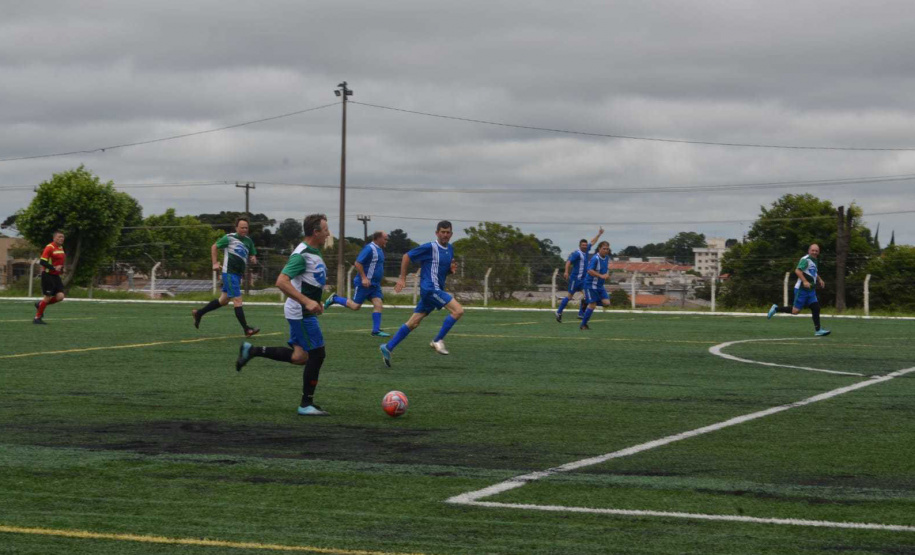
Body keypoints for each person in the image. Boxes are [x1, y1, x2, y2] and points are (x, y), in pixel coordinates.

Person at [235, 213, 331, 416]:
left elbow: (308, 281)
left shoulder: (313, 251)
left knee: (299, 357)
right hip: (301, 312)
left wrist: (317, 301)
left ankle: (252, 351)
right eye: (325, 229)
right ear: (316, 232)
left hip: (302, 310)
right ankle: (306, 404)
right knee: (318, 354)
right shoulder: (302, 254)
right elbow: (282, 281)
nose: (328, 233)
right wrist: (307, 302)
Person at [379, 220, 462, 367]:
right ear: (437, 233)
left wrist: (450, 270)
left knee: (413, 323)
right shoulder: (430, 247)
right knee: (458, 311)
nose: (445, 235)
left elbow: (443, 270)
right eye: (442, 232)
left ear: (451, 234)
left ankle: (388, 347)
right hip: (430, 289)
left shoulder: (450, 249)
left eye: (447, 232)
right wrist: (402, 278)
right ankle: (437, 340)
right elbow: (406, 256)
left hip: (435, 290)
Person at [192, 217, 259, 337]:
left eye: (246, 228)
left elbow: (253, 253)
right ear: (236, 228)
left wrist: (253, 257)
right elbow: (214, 247)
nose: (244, 230)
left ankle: (199, 313)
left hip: (238, 275)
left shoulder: (248, 241)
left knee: (223, 301)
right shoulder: (229, 238)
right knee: (237, 300)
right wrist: (214, 263)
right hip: (229, 273)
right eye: (242, 227)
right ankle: (246, 329)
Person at [323, 230, 391, 337]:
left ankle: (376, 331)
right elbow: (358, 263)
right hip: (364, 284)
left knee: (378, 304)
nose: (387, 240)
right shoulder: (369, 249)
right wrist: (364, 278)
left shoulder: (380, 250)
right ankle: (334, 299)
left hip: (374, 285)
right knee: (355, 306)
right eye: (385, 238)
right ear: (378, 238)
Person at [767, 243, 831, 336]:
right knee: (795, 311)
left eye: (816, 251)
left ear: (818, 252)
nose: (814, 252)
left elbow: (814, 272)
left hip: (811, 290)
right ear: (809, 251)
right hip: (802, 289)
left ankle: (818, 330)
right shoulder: (806, 260)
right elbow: (798, 270)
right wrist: (804, 281)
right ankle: (776, 309)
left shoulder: (815, 260)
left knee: (816, 308)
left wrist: (820, 279)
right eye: (812, 250)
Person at [556, 227, 604, 322]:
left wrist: (599, 234)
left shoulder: (586, 251)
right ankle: (559, 312)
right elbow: (568, 262)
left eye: (586, 245)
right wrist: (566, 271)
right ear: (580, 245)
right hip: (575, 280)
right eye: (583, 245)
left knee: (587, 296)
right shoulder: (577, 254)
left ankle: (581, 313)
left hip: (583, 280)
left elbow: (593, 242)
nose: (585, 246)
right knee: (569, 296)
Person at [33, 230, 66, 325]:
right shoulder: (49, 247)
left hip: (56, 276)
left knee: (60, 297)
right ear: (54, 238)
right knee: (47, 297)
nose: (61, 238)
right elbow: (42, 262)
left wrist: (62, 269)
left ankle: (40, 304)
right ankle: (37, 318)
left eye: (62, 237)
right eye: (59, 237)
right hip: (47, 275)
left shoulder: (61, 248)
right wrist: (54, 267)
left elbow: (59, 262)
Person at [579, 241, 612, 330]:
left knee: (607, 303)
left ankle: (587, 301)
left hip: (600, 286)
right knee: (593, 305)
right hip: (590, 285)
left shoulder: (607, 258)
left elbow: (606, 269)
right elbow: (589, 270)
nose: (606, 250)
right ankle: (583, 325)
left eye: (607, 249)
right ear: (599, 249)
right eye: (604, 249)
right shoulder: (595, 258)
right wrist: (601, 275)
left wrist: (607, 274)